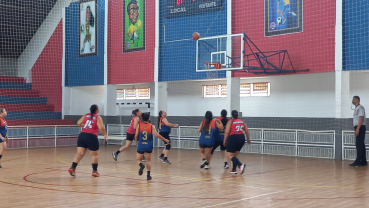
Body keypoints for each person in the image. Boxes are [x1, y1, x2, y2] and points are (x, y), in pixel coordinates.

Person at [68, 104, 108, 177]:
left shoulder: (86, 115)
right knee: (94, 155)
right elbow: (101, 128)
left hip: (82, 135)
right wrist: (105, 135)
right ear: (96, 110)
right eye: (98, 108)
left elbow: (78, 123)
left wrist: (85, 125)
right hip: (91, 136)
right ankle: (94, 171)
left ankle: (72, 167)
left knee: (80, 153)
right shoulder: (98, 117)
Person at [135, 113, 170, 180]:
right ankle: (148, 175)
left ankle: (141, 165)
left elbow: (136, 135)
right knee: (148, 160)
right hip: (149, 145)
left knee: (138, 159)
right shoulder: (151, 126)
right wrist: (165, 139)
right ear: (149, 118)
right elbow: (157, 135)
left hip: (141, 144)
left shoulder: (139, 125)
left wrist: (136, 141)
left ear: (142, 118)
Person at [223, 110, 250, 175]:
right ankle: (234, 169)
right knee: (234, 155)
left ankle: (240, 165)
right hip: (242, 138)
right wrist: (248, 139)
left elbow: (227, 132)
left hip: (234, 137)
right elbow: (246, 130)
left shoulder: (230, 122)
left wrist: (224, 140)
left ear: (232, 115)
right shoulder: (242, 121)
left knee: (229, 155)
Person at [350, 96, 367, 167]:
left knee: (359, 144)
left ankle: (358, 161)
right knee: (361, 144)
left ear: (357, 100)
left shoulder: (360, 108)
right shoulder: (356, 108)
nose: (352, 100)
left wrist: (358, 129)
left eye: (353, 99)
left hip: (360, 127)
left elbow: (361, 118)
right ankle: (363, 161)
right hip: (358, 127)